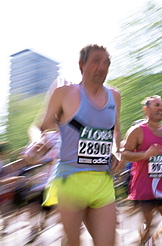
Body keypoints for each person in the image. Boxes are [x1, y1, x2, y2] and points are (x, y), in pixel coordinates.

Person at [39, 44, 124, 246]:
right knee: (74, 242)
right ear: (81, 64)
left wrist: (116, 151)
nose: (102, 67)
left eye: (106, 63)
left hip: (103, 181)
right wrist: (39, 143)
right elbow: (44, 126)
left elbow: (115, 130)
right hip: (71, 180)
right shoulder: (64, 93)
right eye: (96, 61)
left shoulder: (115, 96)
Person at [121, 95, 162, 244]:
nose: (161, 108)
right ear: (146, 110)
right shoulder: (137, 131)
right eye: (156, 105)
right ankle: (144, 241)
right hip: (144, 187)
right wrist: (146, 154)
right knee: (148, 226)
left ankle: (153, 238)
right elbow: (125, 154)